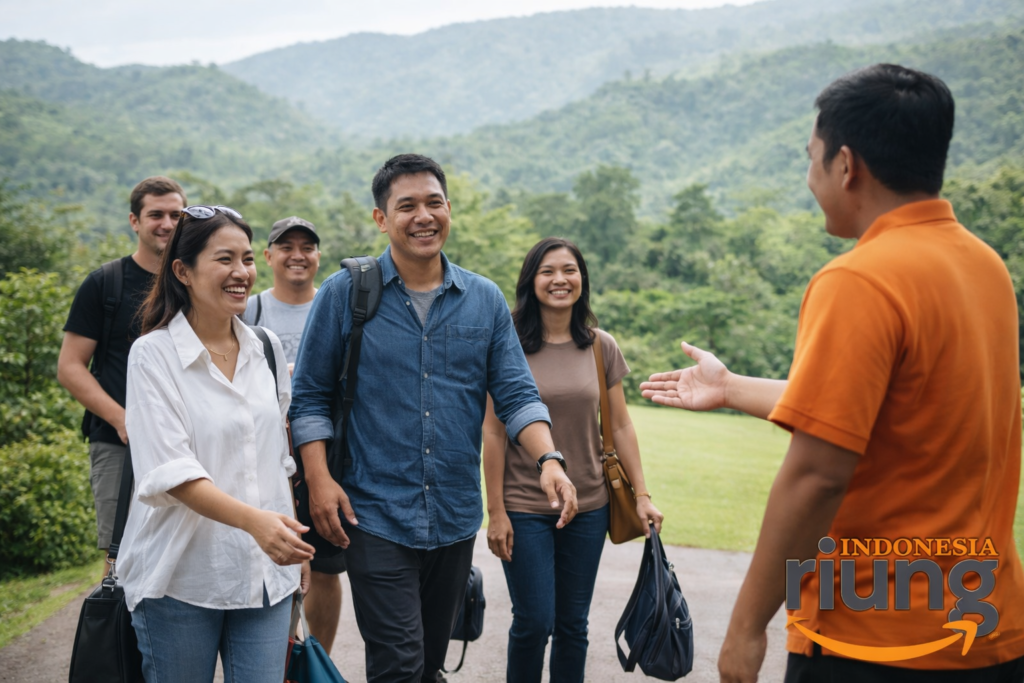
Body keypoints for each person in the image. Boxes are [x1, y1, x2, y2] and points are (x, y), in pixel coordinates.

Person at [641, 64, 1024, 682]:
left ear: (847, 166)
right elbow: (891, 410)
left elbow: (818, 474)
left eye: (811, 157)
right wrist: (731, 387)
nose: (810, 175)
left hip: (875, 637)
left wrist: (745, 629)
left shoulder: (858, 279)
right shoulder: (985, 267)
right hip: (984, 628)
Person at [289, 153, 578, 683]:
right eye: (407, 206)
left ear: (449, 209)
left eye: (434, 203)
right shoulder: (343, 294)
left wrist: (549, 459)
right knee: (397, 664)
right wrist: (319, 478)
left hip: (451, 514)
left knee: (425, 666)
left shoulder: (483, 299)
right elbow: (307, 398)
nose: (423, 216)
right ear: (382, 219)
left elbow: (516, 394)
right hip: (371, 511)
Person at [118, 205, 314, 682]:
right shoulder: (153, 355)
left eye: (247, 259)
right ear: (182, 271)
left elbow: (277, 460)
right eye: (224, 259)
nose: (241, 273)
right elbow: (171, 471)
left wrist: (286, 535)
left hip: (265, 574)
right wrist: (258, 525)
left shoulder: (263, 347)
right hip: (182, 576)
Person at [482, 237, 664, 683]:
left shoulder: (600, 346)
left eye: (569, 270)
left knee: (572, 626)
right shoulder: (507, 342)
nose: (559, 280)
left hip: (589, 506)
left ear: (582, 279)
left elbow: (619, 426)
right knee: (534, 622)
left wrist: (642, 495)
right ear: (531, 281)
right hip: (524, 505)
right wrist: (497, 511)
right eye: (547, 271)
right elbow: (492, 430)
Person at [57, 176, 186, 553]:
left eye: (176, 215)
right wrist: (123, 419)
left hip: (184, 441)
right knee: (122, 553)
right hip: (118, 444)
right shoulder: (104, 283)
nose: (166, 223)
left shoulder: (191, 282)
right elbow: (70, 367)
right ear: (135, 221)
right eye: (156, 214)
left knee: (182, 548)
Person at [241, 215, 344, 655]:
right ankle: (273, 654)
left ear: (319, 255)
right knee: (262, 553)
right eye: (286, 247)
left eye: (308, 247)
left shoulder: (336, 306)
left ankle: (313, 659)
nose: (298, 256)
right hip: (261, 451)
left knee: (323, 565)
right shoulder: (250, 309)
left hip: (322, 454)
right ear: (268, 257)